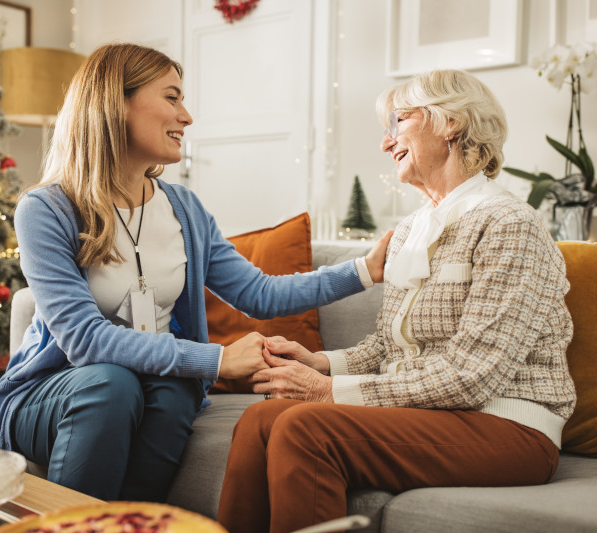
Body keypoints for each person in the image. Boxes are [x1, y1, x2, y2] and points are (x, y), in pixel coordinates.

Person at [0, 43, 391, 502]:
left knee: (177, 390)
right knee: (111, 383)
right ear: (115, 103)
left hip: (147, 389)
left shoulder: (183, 209)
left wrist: (363, 269)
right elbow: (82, 340)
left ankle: (135, 520)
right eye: (172, 98)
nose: (187, 117)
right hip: (55, 394)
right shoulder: (47, 209)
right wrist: (218, 360)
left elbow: (258, 293)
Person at [217, 69, 577, 533]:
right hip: (432, 414)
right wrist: (320, 362)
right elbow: (390, 348)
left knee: (305, 428)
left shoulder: (509, 224)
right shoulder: (412, 228)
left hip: (508, 426)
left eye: (398, 122)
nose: (387, 143)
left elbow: (473, 376)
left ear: (451, 122)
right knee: (262, 418)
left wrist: (329, 393)